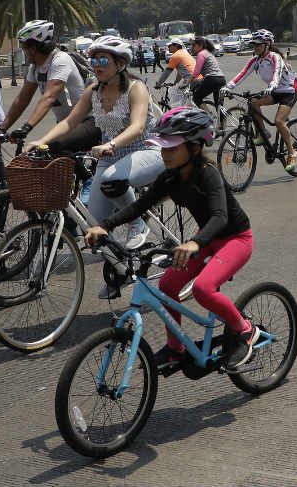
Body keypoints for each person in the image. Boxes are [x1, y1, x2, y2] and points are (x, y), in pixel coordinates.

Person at [83, 107, 261, 371]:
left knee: (203, 289)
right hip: (206, 240)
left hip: (235, 239)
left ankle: (246, 331)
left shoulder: (208, 174)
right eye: (163, 148)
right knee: (167, 285)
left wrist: (194, 243)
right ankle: (175, 350)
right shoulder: (170, 177)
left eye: (172, 148)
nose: (164, 154)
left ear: (195, 148)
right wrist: (104, 226)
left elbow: (220, 217)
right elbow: (140, 205)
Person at [30, 35, 162, 270]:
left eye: (103, 60)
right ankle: (121, 271)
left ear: (120, 63)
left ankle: (138, 223)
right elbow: (70, 122)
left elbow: (138, 126)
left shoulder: (135, 88)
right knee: (94, 227)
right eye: (94, 60)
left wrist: (111, 144)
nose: (97, 66)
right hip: (109, 158)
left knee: (113, 178)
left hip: (144, 151)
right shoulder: (93, 90)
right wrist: (43, 141)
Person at [226, 29, 297, 173]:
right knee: (254, 103)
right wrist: (228, 87)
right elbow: (242, 74)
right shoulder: (255, 60)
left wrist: (273, 85)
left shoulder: (275, 57)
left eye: (258, 45)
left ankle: (293, 153)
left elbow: (277, 73)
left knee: (279, 121)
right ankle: (263, 134)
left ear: (267, 45)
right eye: (254, 45)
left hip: (288, 91)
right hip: (274, 91)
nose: (255, 48)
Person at [0, 20, 86, 139]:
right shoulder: (35, 67)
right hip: (63, 125)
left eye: (24, 47)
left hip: (85, 122)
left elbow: (49, 97)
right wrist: (2, 129)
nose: (23, 52)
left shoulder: (60, 60)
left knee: (45, 148)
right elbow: (22, 99)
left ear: (33, 49)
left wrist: (26, 128)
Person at [190, 36, 227, 121]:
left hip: (212, 79)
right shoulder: (209, 53)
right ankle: (222, 128)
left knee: (196, 98)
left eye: (194, 45)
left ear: (200, 46)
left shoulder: (201, 54)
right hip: (221, 79)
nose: (192, 48)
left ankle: (210, 116)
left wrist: (187, 83)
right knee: (219, 105)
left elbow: (196, 72)